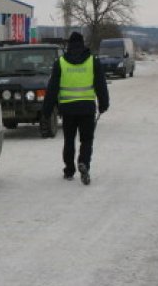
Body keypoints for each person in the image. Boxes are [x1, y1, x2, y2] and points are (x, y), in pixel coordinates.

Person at [42, 31, 109, 185]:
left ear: (69, 45)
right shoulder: (93, 61)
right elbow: (101, 84)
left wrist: (46, 110)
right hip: (87, 108)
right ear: (82, 43)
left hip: (68, 109)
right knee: (86, 140)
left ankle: (69, 170)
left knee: (69, 140)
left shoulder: (60, 63)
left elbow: (52, 88)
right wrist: (104, 103)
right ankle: (84, 162)